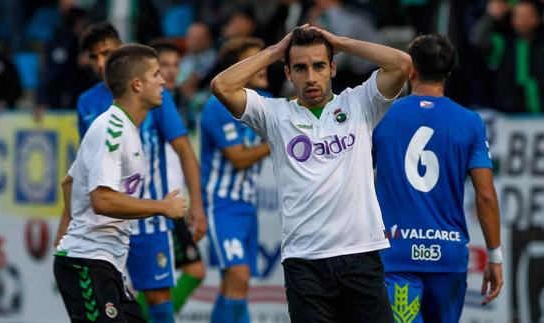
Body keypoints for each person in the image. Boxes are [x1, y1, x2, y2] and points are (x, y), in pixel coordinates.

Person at [211, 25, 412, 322]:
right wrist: (276, 50)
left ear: (332, 67)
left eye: (319, 66)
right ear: (288, 74)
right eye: (300, 69)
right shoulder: (275, 114)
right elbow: (221, 86)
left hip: (360, 254)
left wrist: (341, 42)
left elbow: (402, 64)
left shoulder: (359, 103)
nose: (311, 77)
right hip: (305, 262)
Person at [63, 22, 207, 322]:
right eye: (94, 56)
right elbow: (86, 183)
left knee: (152, 301)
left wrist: (196, 204)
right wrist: (69, 224)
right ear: (137, 84)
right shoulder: (106, 121)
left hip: (140, 222)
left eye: (107, 53)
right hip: (103, 234)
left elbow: (184, 150)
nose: (101, 62)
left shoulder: (133, 118)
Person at [373, 34, 503, 323]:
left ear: (411, 70)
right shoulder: (470, 122)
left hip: (397, 253)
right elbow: (485, 195)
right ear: (448, 72)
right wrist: (494, 256)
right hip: (447, 255)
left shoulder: (382, 116)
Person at [201, 36, 271, 323]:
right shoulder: (218, 107)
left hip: (247, 205)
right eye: (256, 61)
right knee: (239, 278)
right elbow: (239, 158)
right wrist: (278, 139)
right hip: (222, 204)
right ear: (239, 68)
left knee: (234, 284)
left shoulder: (264, 102)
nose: (264, 66)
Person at [149, 39, 206, 315]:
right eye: (164, 66)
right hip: (160, 206)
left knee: (162, 282)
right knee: (188, 272)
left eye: (175, 66)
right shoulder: (154, 102)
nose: (171, 72)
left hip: (172, 204)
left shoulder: (172, 101)